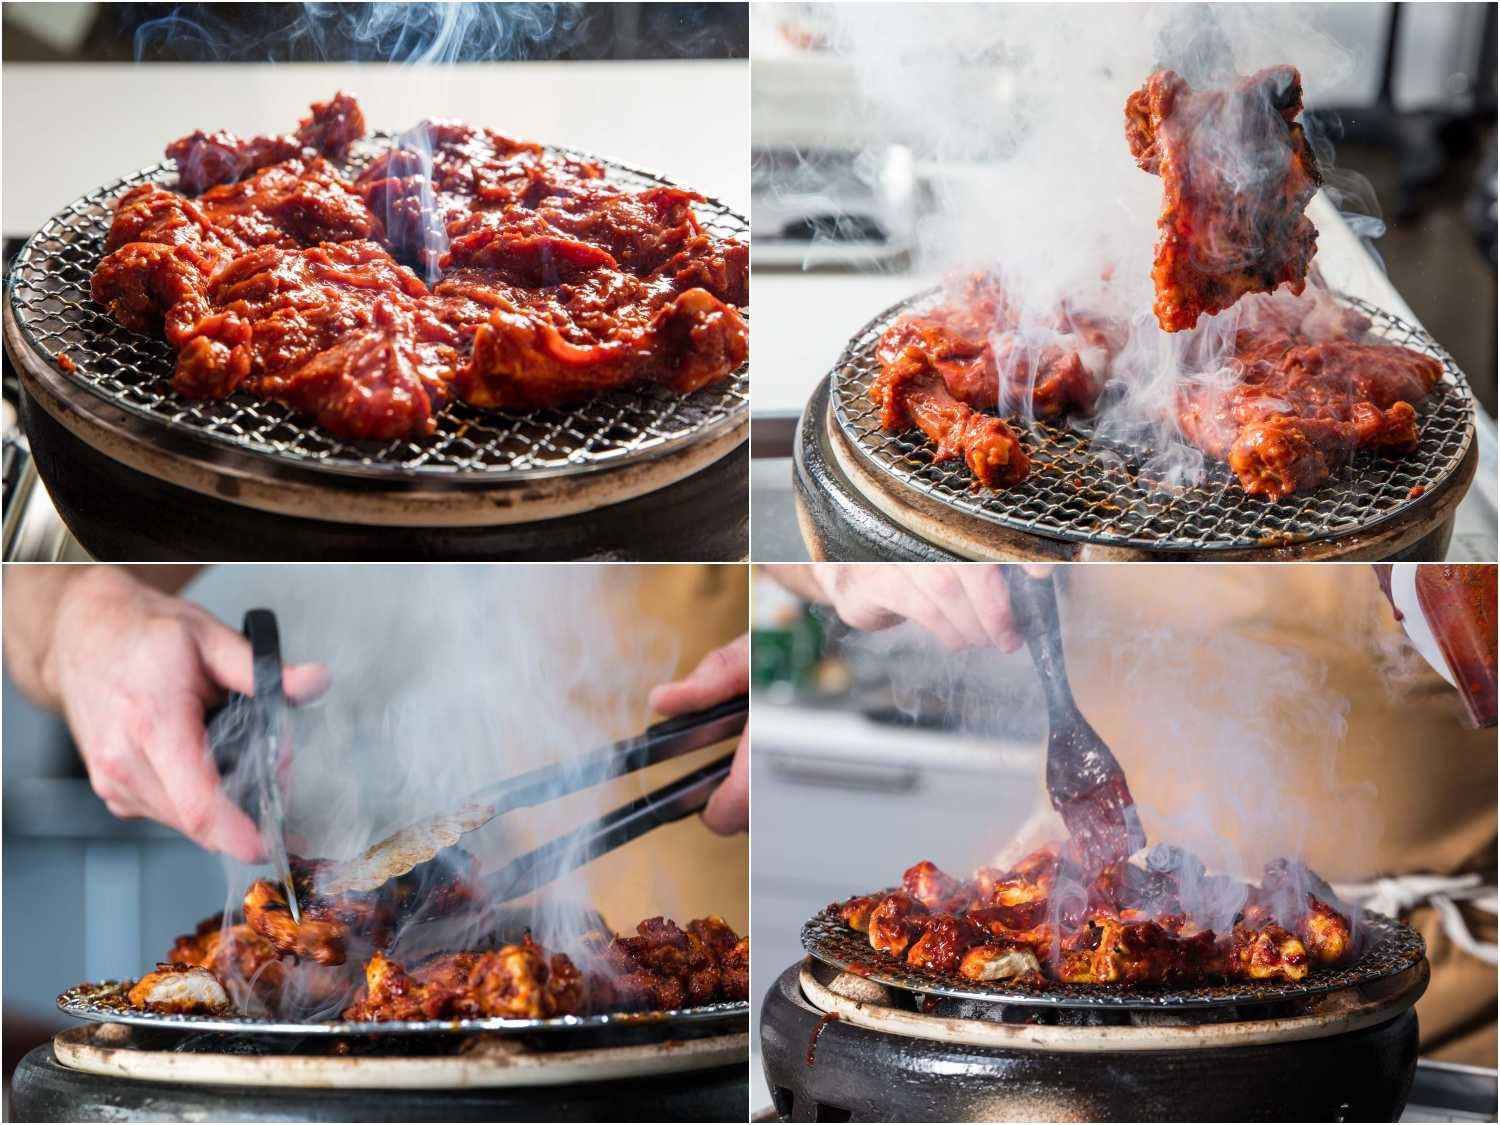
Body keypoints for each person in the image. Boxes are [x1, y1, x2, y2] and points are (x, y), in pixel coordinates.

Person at [763, 562, 1497, 1066]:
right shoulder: (1070, 398)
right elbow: (784, 552)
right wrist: (844, 565)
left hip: (1433, 1007)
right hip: (1068, 998)